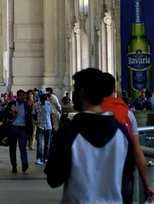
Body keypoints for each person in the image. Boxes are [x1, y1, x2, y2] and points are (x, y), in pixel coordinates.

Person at [45, 68, 135, 204]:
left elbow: (54, 180)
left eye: (75, 89)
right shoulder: (121, 132)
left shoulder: (67, 133)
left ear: (82, 92)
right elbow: (127, 175)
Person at [101, 72, 154, 203]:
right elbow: (137, 152)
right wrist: (147, 184)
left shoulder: (90, 114)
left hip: (98, 181)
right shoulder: (127, 114)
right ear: (114, 89)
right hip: (123, 177)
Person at [3, 89, 33, 173]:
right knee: (12, 148)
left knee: (23, 148)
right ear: (17, 96)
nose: (22, 97)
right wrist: (11, 116)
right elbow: (4, 114)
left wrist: (30, 132)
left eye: (23, 95)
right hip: (13, 128)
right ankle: (14, 165)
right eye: (20, 95)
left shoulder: (27, 106)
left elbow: (29, 119)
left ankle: (24, 163)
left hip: (23, 129)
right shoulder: (11, 104)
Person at [32, 92, 54, 165]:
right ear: (40, 97)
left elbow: (51, 115)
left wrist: (53, 125)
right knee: (39, 143)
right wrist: (35, 120)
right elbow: (33, 114)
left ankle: (46, 157)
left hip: (48, 126)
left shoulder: (49, 104)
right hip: (40, 125)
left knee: (47, 143)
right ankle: (39, 158)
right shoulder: (36, 105)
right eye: (43, 96)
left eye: (45, 96)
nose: (45, 97)